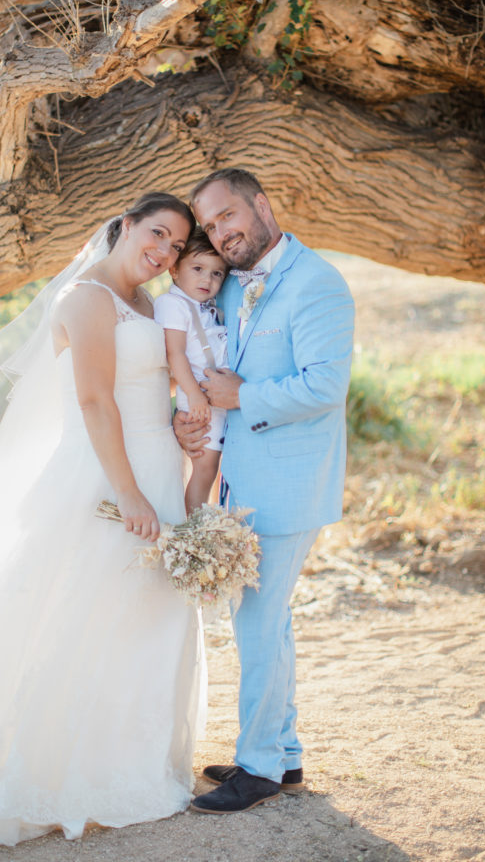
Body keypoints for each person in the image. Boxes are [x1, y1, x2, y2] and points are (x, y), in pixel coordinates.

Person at [0, 192, 206, 847]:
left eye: (175, 246)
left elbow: (151, 391)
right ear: (125, 225)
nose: (163, 252)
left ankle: (125, 764)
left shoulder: (145, 304)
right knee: (68, 608)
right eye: (156, 234)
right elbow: (93, 399)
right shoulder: (86, 298)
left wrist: (182, 433)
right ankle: (38, 770)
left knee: (137, 612)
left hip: (156, 466)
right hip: (102, 476)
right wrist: (128, 492)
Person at [175, 168, 355, 815]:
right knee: (265, 621)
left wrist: (241, 397)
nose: (221, 233)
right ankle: (283, 753)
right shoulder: (229, 286)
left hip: (290, 483)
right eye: (212, 226)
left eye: (228, 217)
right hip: (242, 480)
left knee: (255, 623)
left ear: (261, 204)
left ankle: (256, 768)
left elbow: (322, 387)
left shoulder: (316, 284)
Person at [153, 229, 228, 512]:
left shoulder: (204, 306)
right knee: (205, 467)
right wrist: (194, 396)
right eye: (198, 269)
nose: (207, 279)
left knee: (214, 466)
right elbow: (176, 354)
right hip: (198, 399)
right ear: (174, 270)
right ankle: (194, 530)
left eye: (217, 273)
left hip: (215, 397)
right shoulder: (172, 304)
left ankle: (206, 522)